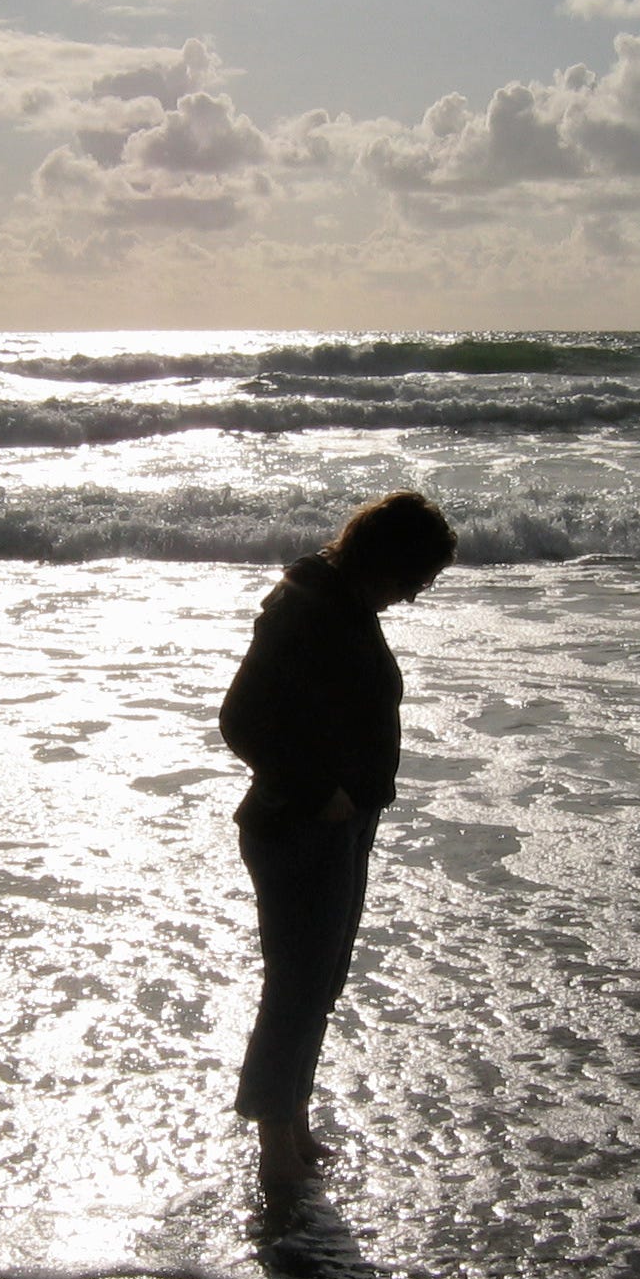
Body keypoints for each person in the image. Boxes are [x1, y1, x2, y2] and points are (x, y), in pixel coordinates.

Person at [218, 491, 457, 1191]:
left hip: (340, 825)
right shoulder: (308, 606)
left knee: (320, 983)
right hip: (298, 826)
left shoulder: (345, 602)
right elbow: (241, 718)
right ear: (385, 559)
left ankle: (293, 1120)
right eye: (415, 578)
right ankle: (273, 1148)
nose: (415, 594)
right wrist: (319, 790)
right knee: (295, 986)